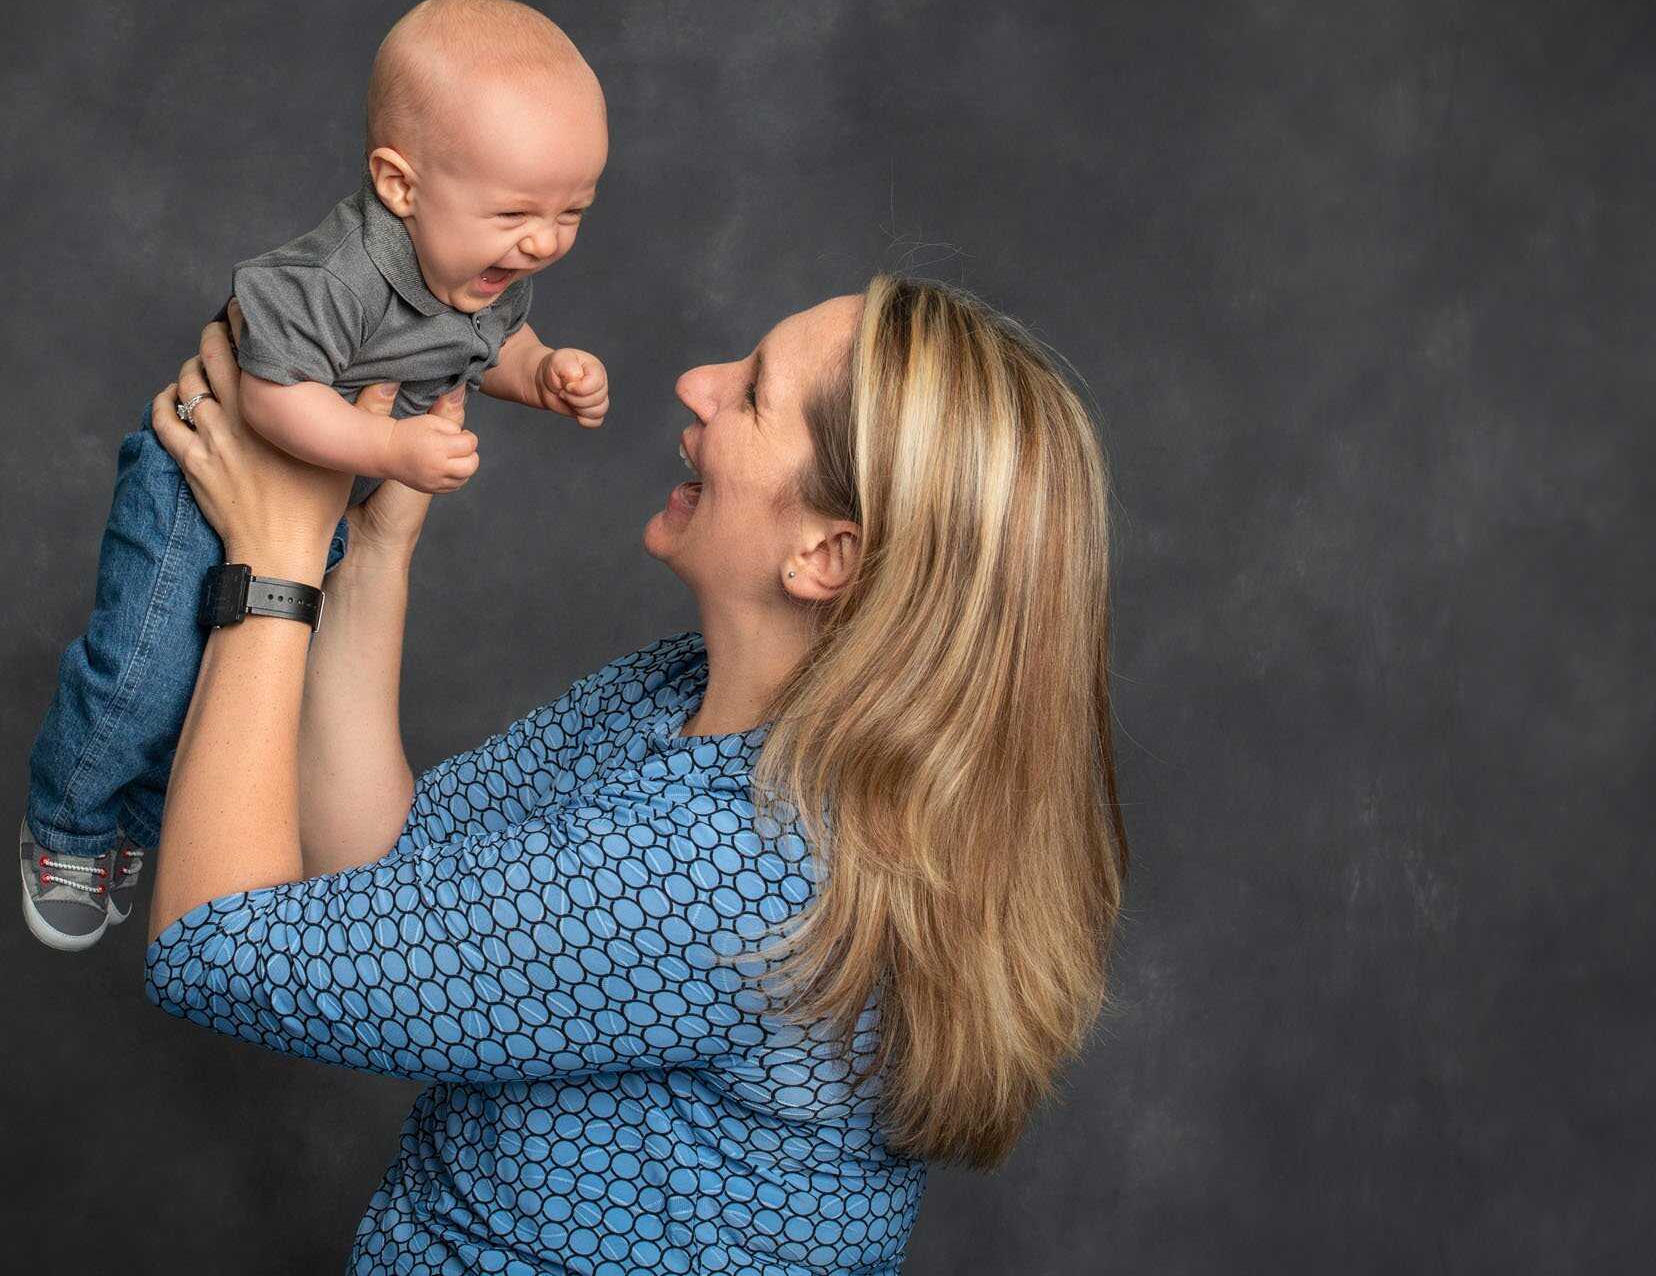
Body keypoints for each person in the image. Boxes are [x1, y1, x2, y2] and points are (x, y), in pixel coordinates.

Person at [144, 275, 1128, 1273]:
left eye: (749, 396)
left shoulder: (737, 870)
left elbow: (208, 946)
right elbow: (382, 860)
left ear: (826, 554)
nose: (696, 382)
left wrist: (272, 563)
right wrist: (374, 553)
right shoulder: (683, 695)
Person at [20, 0, 613, 950]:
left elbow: (488, 337)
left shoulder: (480, 265)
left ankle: (134, 814)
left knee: (242, 705)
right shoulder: (326, 280)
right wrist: (392, 449)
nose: (544, 241)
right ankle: (68, 824)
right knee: (145, 677)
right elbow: (272, 399)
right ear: (400, 183)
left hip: (314, 506)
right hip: (194, 489)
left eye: (571, 211)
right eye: (515, 212)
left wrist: (538, 371)